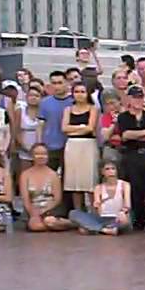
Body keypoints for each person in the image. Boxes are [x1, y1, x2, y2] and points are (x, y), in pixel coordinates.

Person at [115, 86, 145, 231]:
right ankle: (139, 221)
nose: (138, 101)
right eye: (135, 97)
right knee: (135, 188)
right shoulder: (123, 117)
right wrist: (143, 133)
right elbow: (125, 135)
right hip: (132, 153)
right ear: (129, 99)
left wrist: (137, 134)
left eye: (140, 97)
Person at [62, 82, 99, 210]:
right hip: (72, 145)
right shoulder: (68, 109)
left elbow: (90, 128)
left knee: (89, 181)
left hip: (88, 146)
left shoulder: (93, 109)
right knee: (74, 182)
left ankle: (94, 211)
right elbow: (64, 128)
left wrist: (74, 129)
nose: (79, 94)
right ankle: (78, 212)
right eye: (76, 91)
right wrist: (80, 127)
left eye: (82, 92)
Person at [69, 159, 131, 235]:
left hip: (117, 218)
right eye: (107, 169)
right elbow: (97, 206)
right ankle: (104, 230)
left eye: (113, 168)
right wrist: (99, 203)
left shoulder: (124, 185)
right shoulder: (98, 188)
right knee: (73, 213)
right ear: (102, 172)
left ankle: (95, 229)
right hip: (102, 218)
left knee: (124, 220)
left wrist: (122, 212)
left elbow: (127, 205)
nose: (110, 171)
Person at [19, 143, 71, 232]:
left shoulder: (53, 175)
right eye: (37, 154)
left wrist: (44, 211)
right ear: (32, 156)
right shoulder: (25, 175)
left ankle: (68, 223)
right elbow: (25, 199)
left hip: (51, 209)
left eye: (44, 154)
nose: (41, 157)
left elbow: (57, 199)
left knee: (49, 220)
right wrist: (33, 213)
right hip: (33, 208)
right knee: (35, 226)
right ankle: (53, 226)